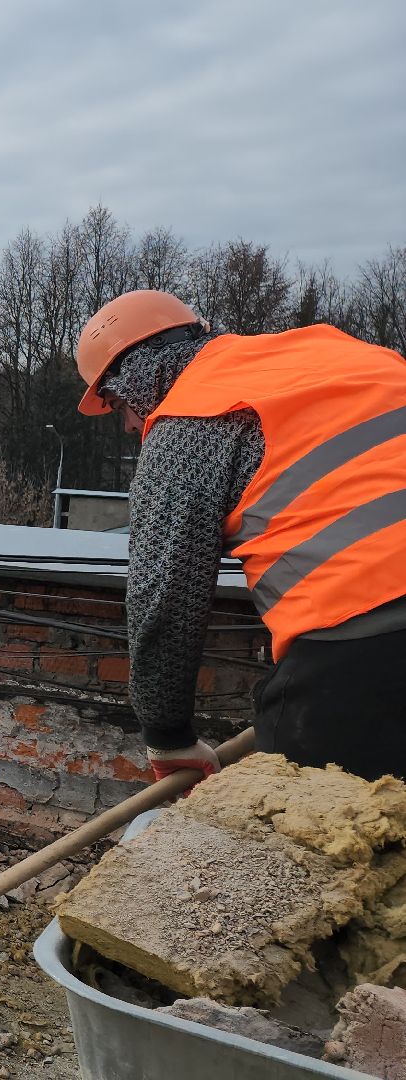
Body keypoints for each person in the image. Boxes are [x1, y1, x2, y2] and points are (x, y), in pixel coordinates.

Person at [74, 289, 406, 783]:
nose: (127, 423)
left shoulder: (191, 416)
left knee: (316, 832)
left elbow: (164, 599)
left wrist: (169, 738)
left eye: (120, 403)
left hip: (366, 638)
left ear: (138, 377)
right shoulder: (337, 352)